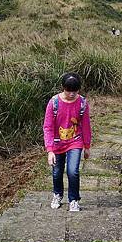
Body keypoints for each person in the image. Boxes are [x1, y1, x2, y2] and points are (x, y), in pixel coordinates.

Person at [43, 72, 91, 211]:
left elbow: (86, 125)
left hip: (75, 141)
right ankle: (57, 194)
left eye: (74, 91)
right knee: (57, 172)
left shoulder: (82, 103)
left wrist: (87, 146)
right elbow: (48, 127)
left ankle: (74, 199)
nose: (71, 94)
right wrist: (50, 150)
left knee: (73, 171)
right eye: (68, 91)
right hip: (57, 143)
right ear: (63, 87)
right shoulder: (54, 103)